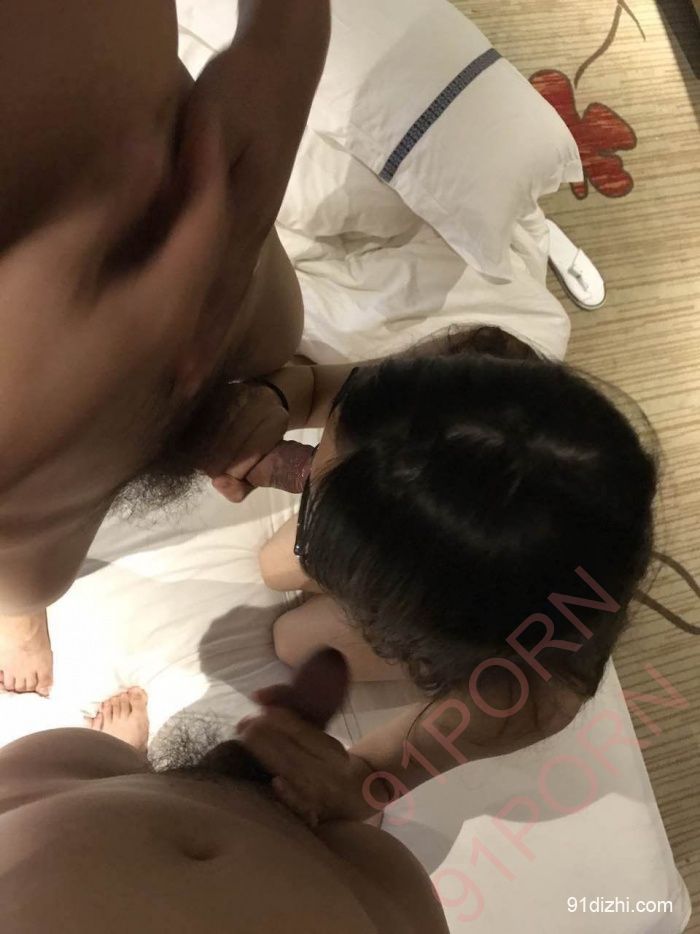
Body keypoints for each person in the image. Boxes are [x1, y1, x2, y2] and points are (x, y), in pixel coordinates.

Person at [0, 0, 331, 694]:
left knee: (270, 342)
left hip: (219, 242)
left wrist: (281, 46)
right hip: (44, 454)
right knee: (30, 576)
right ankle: (24, 617)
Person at [236, 325, 658, 823]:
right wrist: (271, 402)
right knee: (276, 568)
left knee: (293, 638)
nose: (308, 475)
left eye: (316, 488)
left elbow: (372, 776)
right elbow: (312, 387)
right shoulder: (460, 374)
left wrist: (329, 780)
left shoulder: (523, 695)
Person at [0, 650, 449, 933]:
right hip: (341, 881)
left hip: (67, 810)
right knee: (373, 861)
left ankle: (242, 766)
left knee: (72, 758)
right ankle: (300, 787)